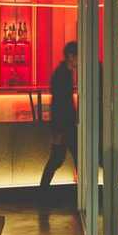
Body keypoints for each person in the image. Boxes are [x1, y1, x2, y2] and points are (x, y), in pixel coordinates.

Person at [39, 41, 79, 190]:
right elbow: (61, 103)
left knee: (62, 158)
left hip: (63, 125)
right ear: (71, 56)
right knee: (59, 158)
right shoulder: (63, 74)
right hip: (64, 125)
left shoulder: (64, 72)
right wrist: (61, 128)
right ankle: (43, 191)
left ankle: (43, 191)